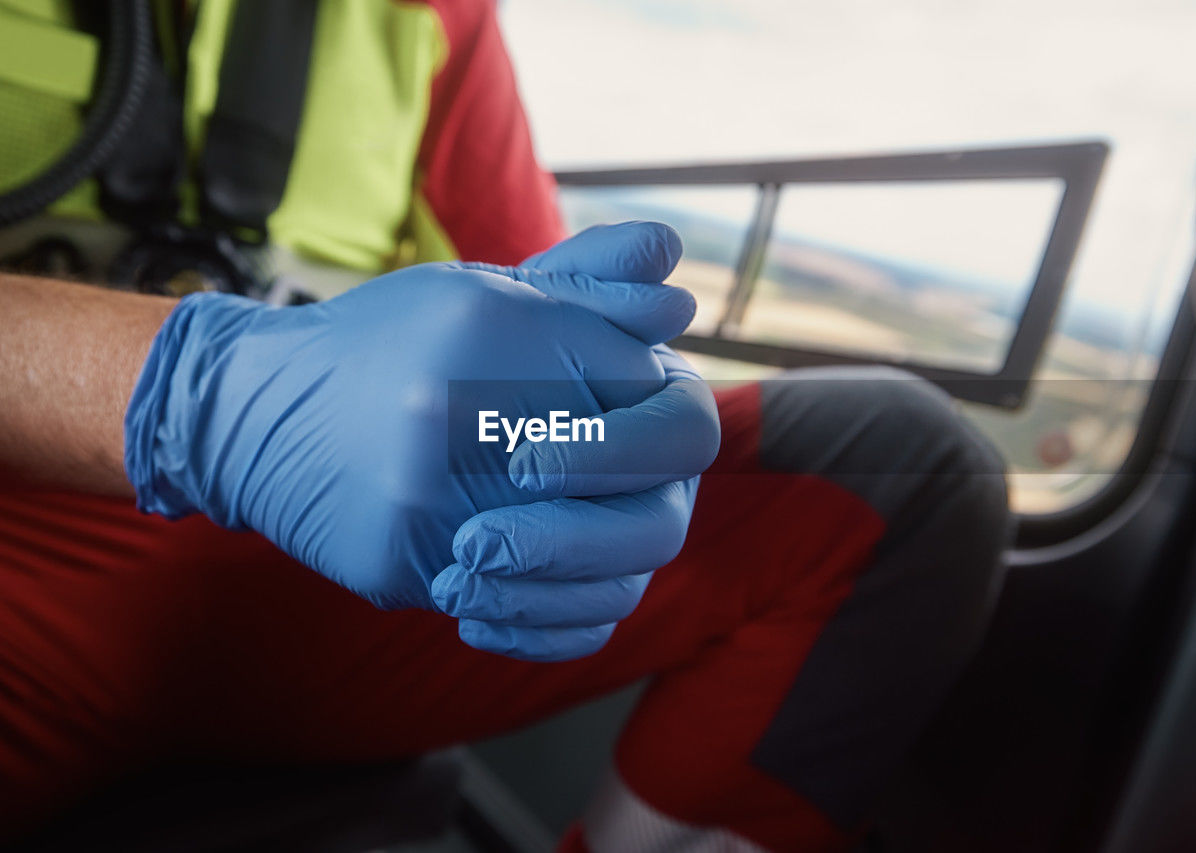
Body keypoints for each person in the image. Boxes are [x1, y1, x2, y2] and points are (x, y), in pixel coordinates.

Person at [0, 1, 1012, 850]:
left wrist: (601, 434)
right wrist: (196, 393)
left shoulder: (430, 18)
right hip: (26, 560)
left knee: (898, 472)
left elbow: (543, 326)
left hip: (347, 563)